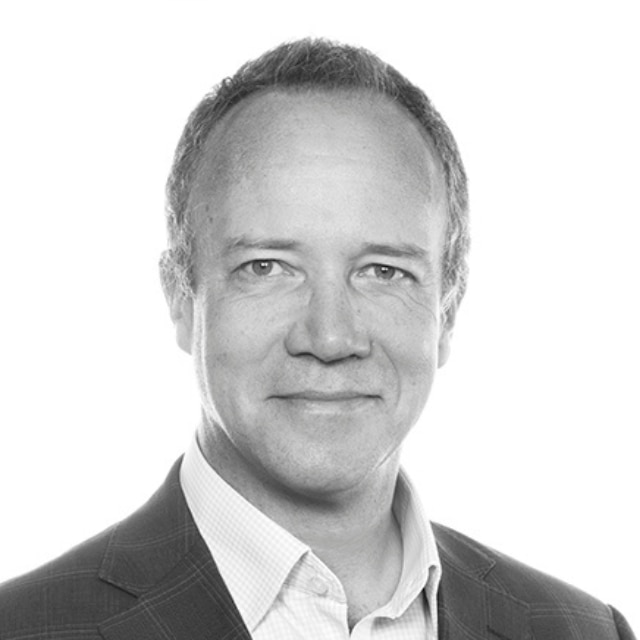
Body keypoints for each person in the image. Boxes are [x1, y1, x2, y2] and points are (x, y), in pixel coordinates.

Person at [0, 38, 634, 640]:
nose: (330, 337)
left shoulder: (580, 630)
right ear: (180, 297)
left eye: (383, 271)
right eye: (267, 267)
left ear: (447, 310)